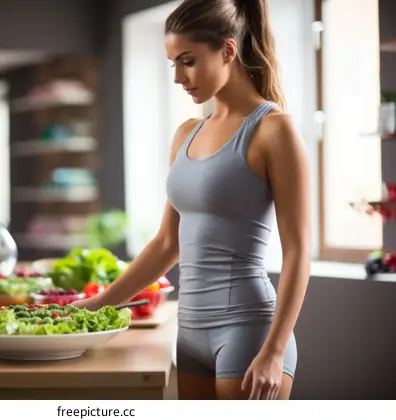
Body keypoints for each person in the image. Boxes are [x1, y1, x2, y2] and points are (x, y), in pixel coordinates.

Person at [72, 0, 311, 400]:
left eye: (188, 61)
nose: (179, 77)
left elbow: (299, 251)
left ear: (228, 51)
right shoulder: (186, 134)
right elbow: (168, 243)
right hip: (191, 332)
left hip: (250, 330)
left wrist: (273, 349)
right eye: (173, 64)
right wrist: (95, 305)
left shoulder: (273, 130)